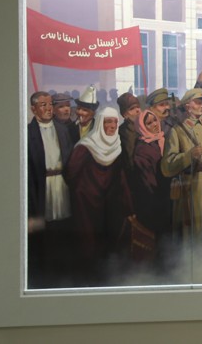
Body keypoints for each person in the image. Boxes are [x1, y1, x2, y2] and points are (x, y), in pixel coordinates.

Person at [64, 107, 134, 285]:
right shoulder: (85, 147)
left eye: (115, 122)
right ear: (100, 124)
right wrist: (85, 190)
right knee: (89, 243)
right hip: (87, 205)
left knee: (110, 242)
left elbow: (122, 177)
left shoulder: (117, 145)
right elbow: (70, 173)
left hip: (111, 203)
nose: (112, 126)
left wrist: (128, 205)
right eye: (108, 122)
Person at [161, 88, 202, 240]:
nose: (201, 105)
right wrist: (188, 156)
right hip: (192, 188)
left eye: (201, 102)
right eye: (197, 102)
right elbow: (167, 166)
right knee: (194, 233)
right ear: (187, 106)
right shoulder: (177, 131)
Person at [26, 91, 76, 288]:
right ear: (33, 109)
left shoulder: (62, 130)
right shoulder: (28, 133)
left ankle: (64, 272)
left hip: (62, 185)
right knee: (42, 232)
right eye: (43, 105)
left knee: (62, 229)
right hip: (41, 187)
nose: (48, 108)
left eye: (49, 104)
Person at [129, 109, 172, 251]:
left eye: (155, 120)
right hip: (154, 202)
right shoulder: (142, 150)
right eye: (149, 123)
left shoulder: (161, 140)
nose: (154, 124)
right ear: (142, 127)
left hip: (166, 198)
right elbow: (148, 182)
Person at [116, 92, 141, 171]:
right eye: (132, 108)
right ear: (125, 114)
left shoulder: (143, 127)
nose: (137, 110)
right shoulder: (124, 132)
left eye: (138, 107)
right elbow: (130, 160)